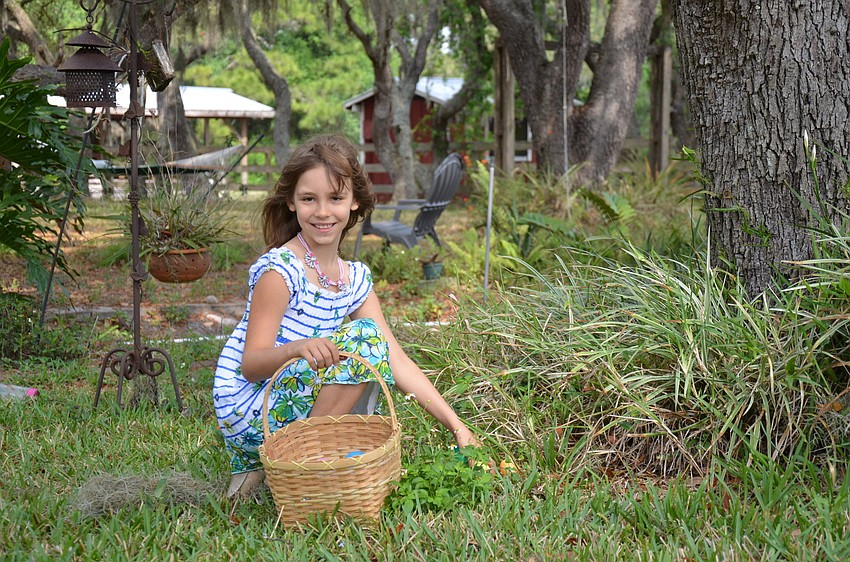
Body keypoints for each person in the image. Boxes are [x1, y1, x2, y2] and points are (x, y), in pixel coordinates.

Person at [213, 134, 479, 498]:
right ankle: (302, 467)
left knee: (372, 347)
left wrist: (457, 426)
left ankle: (299, 461)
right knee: (364, 341)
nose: (323, 212)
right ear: (292, 202)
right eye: (309, 199)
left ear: (354, 202)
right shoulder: (280, 271)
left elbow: (395, 357)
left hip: (290, 392)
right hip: (249, 403)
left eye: (336, 198)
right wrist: (297, 347)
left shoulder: (354, 278)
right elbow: (251, 364)